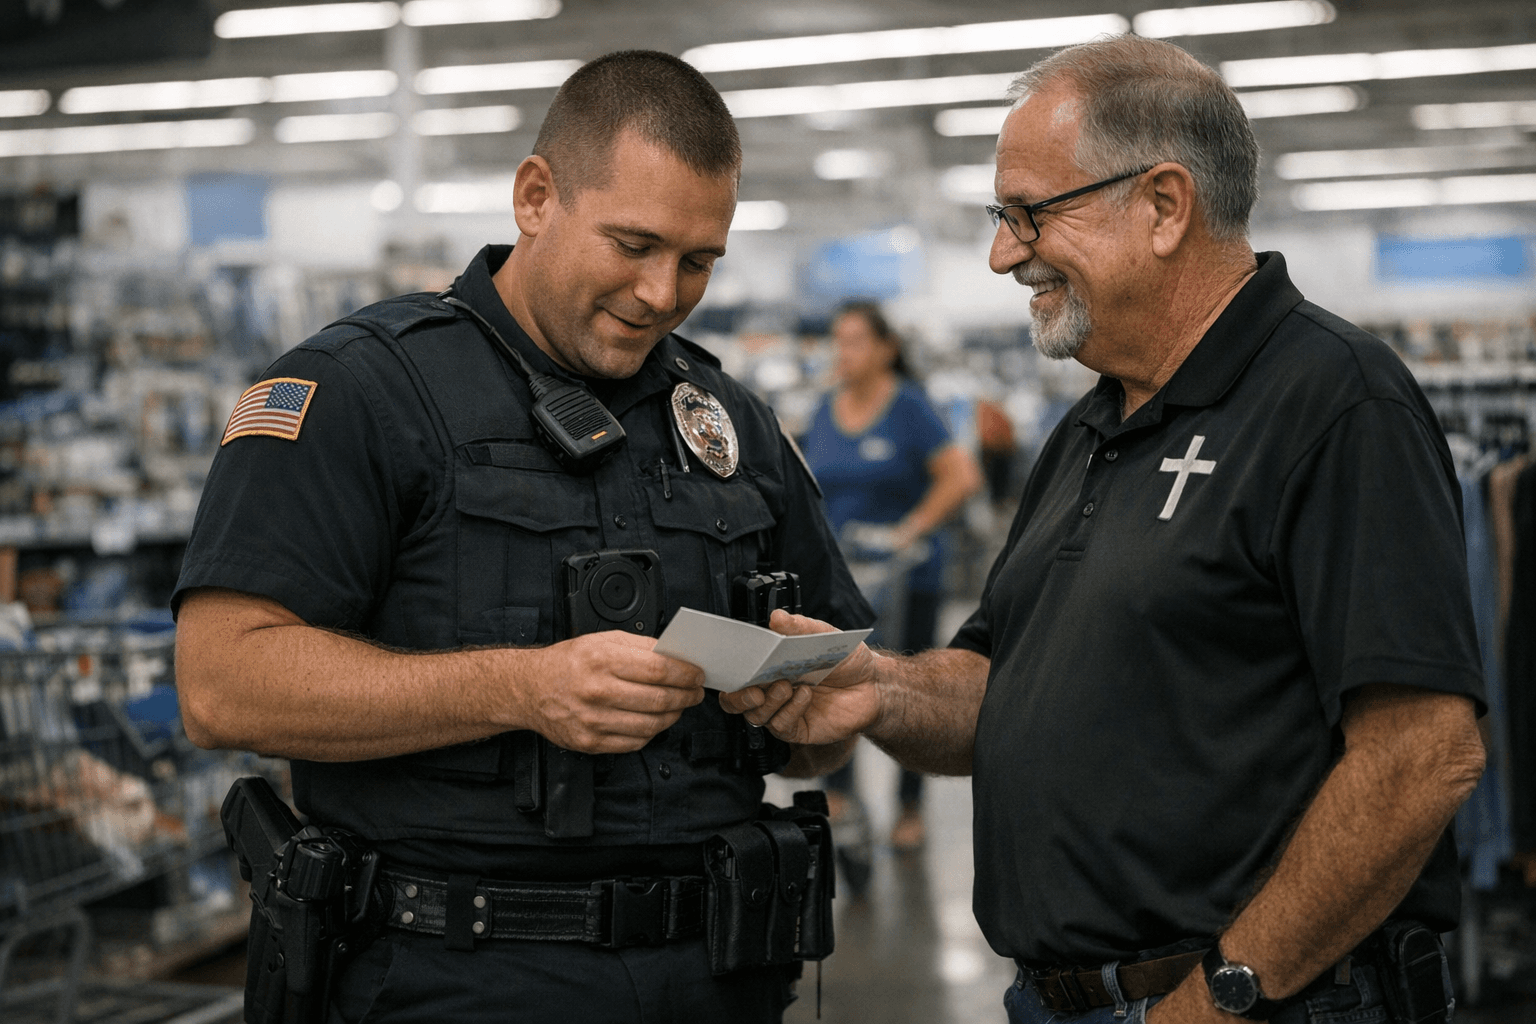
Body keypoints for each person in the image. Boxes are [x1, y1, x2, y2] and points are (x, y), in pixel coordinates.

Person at [723, 35, 1487, 1024]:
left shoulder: (1335, 403)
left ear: (1164, 205)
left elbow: (1422, 754)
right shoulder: (1090, 424)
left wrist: (1224, 996)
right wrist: (877, 690)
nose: (1003, 252)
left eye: (1027, 213)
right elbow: (1004, 681)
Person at [173, 50, 872, 1024]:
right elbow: (219, 682)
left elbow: (818, 730)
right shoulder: (359, 394)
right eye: (633, 244)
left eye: (699, 259)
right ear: (536, 197)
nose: (664, 292)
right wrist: (520, 688)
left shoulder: (730, 422)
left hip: (718, 974)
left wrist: (816, 718)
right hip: (449, 978)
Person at [800, 300, 981, 852]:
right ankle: (841, 797)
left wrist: (910, 528)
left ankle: (908, 808)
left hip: (909, 580)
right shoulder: (825, 408)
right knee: (833, 681)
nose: (844, 352)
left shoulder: (909, 407)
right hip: (843, 580)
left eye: (855, 340)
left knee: (909, 696)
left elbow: (961, 476)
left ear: (885, 348)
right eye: (838, 339)